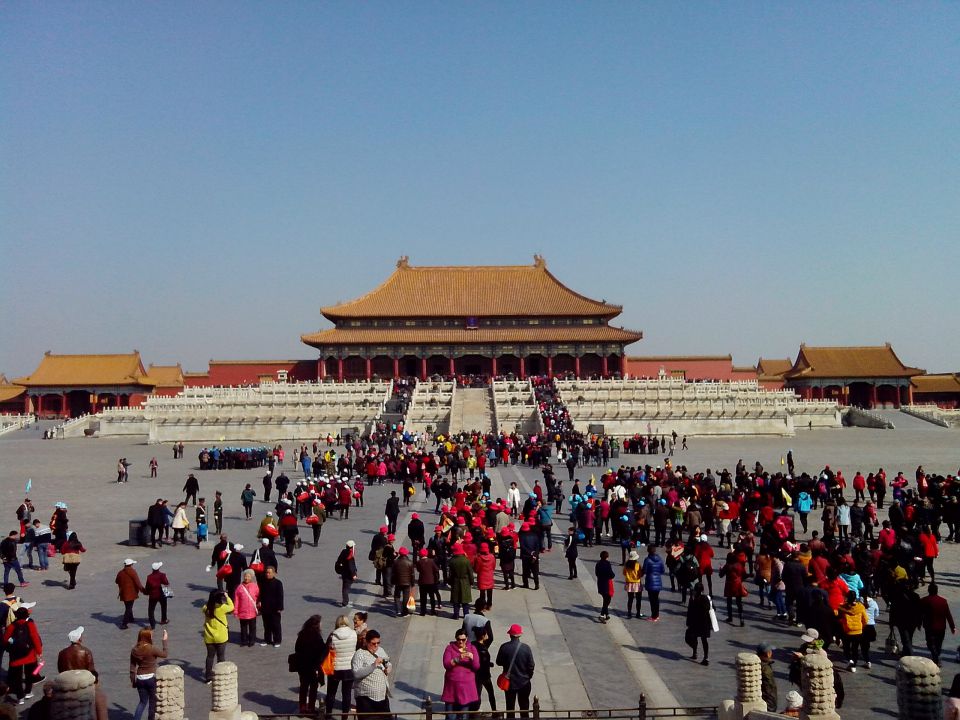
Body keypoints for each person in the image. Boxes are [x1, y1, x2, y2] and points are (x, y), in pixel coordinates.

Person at [3, 607, 42, 704]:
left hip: (16, 656)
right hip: (29, 655)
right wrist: (39, 651)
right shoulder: (30, 624)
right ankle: (28, 692)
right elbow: (35, 638)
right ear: (26, 616)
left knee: (17, 677)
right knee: (29, 675)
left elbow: (5, 639)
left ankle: (20, 697)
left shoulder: (11, 626)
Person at [496, 624, 535, 720]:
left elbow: (498, 662)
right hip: (524, 682)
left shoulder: (504, 647)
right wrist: (528, 676)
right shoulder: (526, 648)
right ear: (520, 635)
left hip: (509, 682)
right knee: (524, 706)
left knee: (510, 707)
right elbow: (531, 665)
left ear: (510, 635)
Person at [129, 627, 168, 720]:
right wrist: (165, 641)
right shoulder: (151, 649)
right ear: (147, 637)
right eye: (151, 635)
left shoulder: (134, 650)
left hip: (140, 678)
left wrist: (133, 681)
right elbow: (165, 654)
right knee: (152, 703)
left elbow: (132, 667)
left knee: (142, 702)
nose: (152, 636)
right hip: (150, 678)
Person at [352, 629, 392, 719]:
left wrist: (388, 668)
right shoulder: (359, 654)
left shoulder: (380, 650)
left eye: (378, 643)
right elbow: (356, 674)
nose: (376, 646)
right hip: (366, 699)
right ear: (366, 642)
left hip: (382, 697)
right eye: (373, 643)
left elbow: (388, 662)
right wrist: (374, 665)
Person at [441, 629, 480, 719]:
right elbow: (446, 664)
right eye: (459, 639)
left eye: (463, 639)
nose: (461, 642)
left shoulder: (472, 648)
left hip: (466, 689)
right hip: (452, 688)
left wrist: (472, 658)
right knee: (450, 717)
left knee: (463, 716)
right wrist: (458, 658)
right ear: (456, 638)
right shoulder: (450, 648)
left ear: (467, 638)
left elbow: (476, 667)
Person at [324, 615, 357, 720]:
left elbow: (326, 649)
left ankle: (328, 715)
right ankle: (344, 717)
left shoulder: (332, 635)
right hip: (349, 667)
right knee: (346, 694)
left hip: (335, 667)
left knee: (331, 693)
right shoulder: (353, 634)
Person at [293, 615, 328, 714]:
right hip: (313, 667)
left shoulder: (302, 634)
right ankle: (311, 708)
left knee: (303, 687)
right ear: (317, 624)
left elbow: (297, 648)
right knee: (313, 688)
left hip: (302, 666)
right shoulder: (317, 636)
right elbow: (322, 651)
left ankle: (302, 707)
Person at [919, 582, 956, 666]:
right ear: (937, 591)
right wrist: (952, 627)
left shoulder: (924, 600)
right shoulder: (943, 601)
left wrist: (918, 623)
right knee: (938, 644)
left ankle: (935, 657)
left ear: (928, 590)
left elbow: (920, 614)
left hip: (929, 626)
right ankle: (936, 656)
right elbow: (948, 615)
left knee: (930, 643)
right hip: (941, 627)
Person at [201, 589, 234, 683]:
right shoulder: (222, 608)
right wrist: (227, 597)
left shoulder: (205, 608)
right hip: (221, 637)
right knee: (221, 656)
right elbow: (231, 607)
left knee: (210, 657)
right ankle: (221, 675)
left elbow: (205, 607)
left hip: (209, 637)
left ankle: (208, 677)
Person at [837, 590, 868, 671]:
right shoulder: (860, 607)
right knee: (855, 649)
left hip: (847, 631)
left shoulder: (843, 607)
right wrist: (861, 626)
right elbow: (865, 619)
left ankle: (849, 660)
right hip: (858, 631)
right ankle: (854, 666)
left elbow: (839, 617)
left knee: (846, 648)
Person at [685, 582, 712, 665]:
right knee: (704, 640)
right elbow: (712, 608)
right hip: (705, 623)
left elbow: (690, 611)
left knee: (693, 637)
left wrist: (688, 622)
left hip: (696, 622)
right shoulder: (706, 598)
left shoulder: (693, 599)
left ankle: (695, 653)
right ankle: (705, 657)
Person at [116, 558, 146, 630]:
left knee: (128, 606)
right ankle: (124, 624)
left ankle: (131, 618)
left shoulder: (120, 572)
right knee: (128, 608)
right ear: (131, 564)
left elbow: (117, 581)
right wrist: (143, 590)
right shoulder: (132, 572)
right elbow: (137, 583)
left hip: (123, 593)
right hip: (131, 593)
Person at [258, 566, 284, 647]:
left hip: (275, 608)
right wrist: (259, 602)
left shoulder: (278, 583)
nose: (267, 574)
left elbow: (280, 596)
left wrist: (280, 607)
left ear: (274, 573)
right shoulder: (263, 582)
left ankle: (277, 640)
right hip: (265, 607)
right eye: (266, 572)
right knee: (266, 625)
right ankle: (267, 639)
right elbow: (260, 594)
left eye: (269, 572)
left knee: (276, 625)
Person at [233, 569, 260, 647]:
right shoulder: (239, 587)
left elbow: (258, 597)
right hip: (242, 611)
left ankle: (252, 640)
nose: (246, 578)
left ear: (251, 577)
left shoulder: (255, 586)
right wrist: (235, 610)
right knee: (243, 627)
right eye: (245, 576)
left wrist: (259, 604)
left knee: (252, 627)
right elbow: (236, 600)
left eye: (248, 576)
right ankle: (244, 641)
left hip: (252, 611)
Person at [448, 544, 474, 620]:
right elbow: (470, 573)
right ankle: (466, 615)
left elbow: (450, 574)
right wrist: (471, 582)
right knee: (465, 600)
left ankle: (456, 615)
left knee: (456, 601)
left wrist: (450, 582)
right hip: (465, 581)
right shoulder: (466, 560)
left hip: (455, 581)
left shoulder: (452, 561)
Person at [641, 544, 666, 622]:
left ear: (648, 550)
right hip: (658, 581)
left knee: (652, 600)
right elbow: (663, 570)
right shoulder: (660, 559)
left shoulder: (647, 559)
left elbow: (644, 571)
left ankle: (653, 616)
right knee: (656, 599)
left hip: (650, 581)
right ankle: (657, 615)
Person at [144, 562, 170, 630]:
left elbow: (147, 587)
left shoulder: (149, 577)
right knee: (164, 607)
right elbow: (166, 582)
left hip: (153, 595)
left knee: (151, 610)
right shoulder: (162, 575)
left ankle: (152, 625)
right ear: (159, 568)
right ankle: (163, 620)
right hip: (162, 594)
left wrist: (146, 592)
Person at [334, 541, 358, 607]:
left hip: (344, 572)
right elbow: (351, 566)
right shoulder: (350, 556)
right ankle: (345, 602)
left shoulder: (344, 552)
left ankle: (345, 601)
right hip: (349, 574)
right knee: (346, 588)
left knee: (345, 587)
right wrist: (354, 575)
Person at [595, 550, 615, 623]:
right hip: (607, 584)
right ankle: (602, 615)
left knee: (605, 598)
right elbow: (611, 574)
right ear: (607, 557)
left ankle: (606, 614)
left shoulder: (598, 563)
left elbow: (596, 573)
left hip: (600, 583)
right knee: (607, 600)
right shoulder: (607, 564)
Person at [623, 550, 643, 619]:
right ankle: (638, 613)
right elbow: (640, 574)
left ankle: (629, 613)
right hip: (637, 583)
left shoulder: (626, 564)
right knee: (638, 599)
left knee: (630, 599)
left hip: (629, 583)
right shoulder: (637, 565)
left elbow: (624, 573)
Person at [758, 642, 777, 711]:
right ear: (767, 653)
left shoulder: (760, 663)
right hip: (768, 701)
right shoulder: (766, 668)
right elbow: (770, 686)